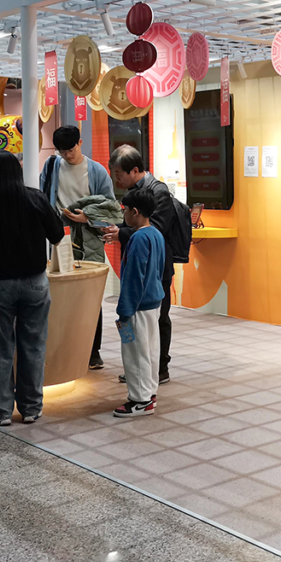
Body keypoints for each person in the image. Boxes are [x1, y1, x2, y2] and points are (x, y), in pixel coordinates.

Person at [0, 151, 64, 426]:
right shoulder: (35, 197)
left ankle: (0, 412)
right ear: (17, 170)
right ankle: (31, 408)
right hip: (35, 282)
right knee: (33, 346)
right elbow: (57, 234)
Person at [41, 125, 116, 370]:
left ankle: (93, 350)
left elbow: (111, 207)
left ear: (80, 143)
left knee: (89, 293)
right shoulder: (52, 166)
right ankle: (65, 348)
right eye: (62, 152)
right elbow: (44, 199)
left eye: (70, 150)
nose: (67, 155)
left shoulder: (96, 171)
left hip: (88, 236)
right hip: (59, 235)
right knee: (60, 292)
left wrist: (88, 218)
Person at [103, 146, 175, 385]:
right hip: (138, 266)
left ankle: (157, 369)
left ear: (134, 170)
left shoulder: (158, 192)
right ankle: (141, 370)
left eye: (118, 173)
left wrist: (121, 233)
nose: (117, 179)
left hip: (156, 270)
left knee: (156, 321)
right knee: (141, 327)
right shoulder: (135, 191)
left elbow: (154, 228)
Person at [113, 189, 166, 418]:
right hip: (154, 302)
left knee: (135, 353)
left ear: (135, 212)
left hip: (137, 306)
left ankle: (140, 400)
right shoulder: (156, 234)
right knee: (150, 351)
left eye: (124, 210)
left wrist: (124, 310)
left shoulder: (138, 239)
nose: (123, 215)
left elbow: (134, 277)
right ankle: (149, 393)